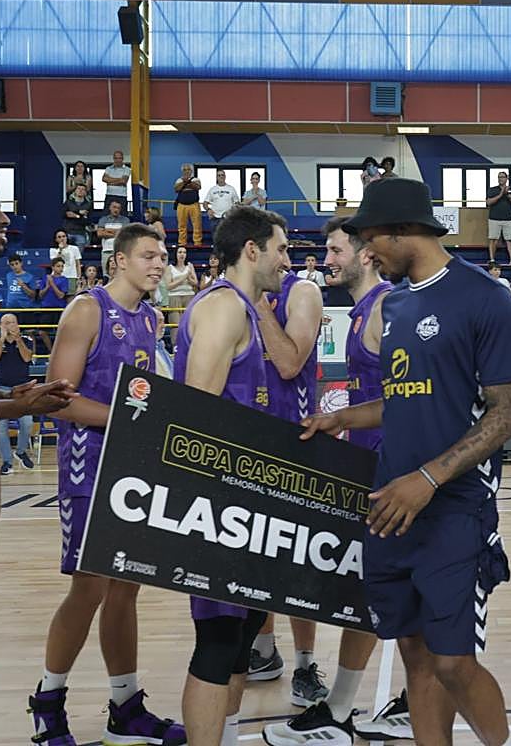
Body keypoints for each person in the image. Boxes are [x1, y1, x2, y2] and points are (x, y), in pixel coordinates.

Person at [299, 178, 511, 746]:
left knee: (453, 663)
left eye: (372, 239)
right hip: (391, 506)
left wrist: (428, 478)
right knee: (415, 656)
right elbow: (407, 396)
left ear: (405, 231)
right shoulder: (396, 303)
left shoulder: (484, 297)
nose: (367, 251)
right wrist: (343, 419)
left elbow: (507, 415)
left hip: (455, 508)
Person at [29, 224, 184, 745]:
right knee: (89, 585)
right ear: (118, 260)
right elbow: (59, 399)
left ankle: (126, 705)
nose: (158, 264)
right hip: (87, 466)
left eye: (162, 257)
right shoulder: (87, 310)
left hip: (131, 467)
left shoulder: (152, 316)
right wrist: (132, 417)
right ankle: (47, 701)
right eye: (147, 256)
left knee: (126, 587)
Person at [264, 216, 415, 743]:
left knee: (390, 593)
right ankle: (360, 706)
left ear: (366, 254)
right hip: (371, 468)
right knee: (377, 594)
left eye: (333, 250)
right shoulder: (359, 313)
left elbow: (414, 400)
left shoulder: (387, 310)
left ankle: (393, 703)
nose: (325, 259)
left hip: (396, 475)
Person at [176, 205, 289, 745]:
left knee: (243, 635)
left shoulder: (243, 307)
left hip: (243, 501)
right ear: (252, 250)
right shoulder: (224, 309)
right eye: (281, 250)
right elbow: (196, 415)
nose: (287, 261)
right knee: (219, 639)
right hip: (219, 505)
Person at [250, 238, 327, 707]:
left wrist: (259, 309)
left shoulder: (302, 292)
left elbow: (289, 362)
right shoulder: (226, 298)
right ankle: (263, 651)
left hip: (295, 444)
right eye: (279, 250)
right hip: (248, 443)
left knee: (298, 562)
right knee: (255, 552)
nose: (288, 258)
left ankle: (304, 663)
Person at [0, 313, 35, 475]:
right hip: (1, 388)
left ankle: (21, 451)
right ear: (0, 325)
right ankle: (6, 462)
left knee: (27, 423)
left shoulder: (27, 339)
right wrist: (2, 340)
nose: (9, 326)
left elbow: (27, 358)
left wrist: (18, 340)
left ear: (17, 324)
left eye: (11, 322)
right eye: (5, 323)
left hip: (23, 387)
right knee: (1, 427)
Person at [37, 256, 71, 354]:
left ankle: (59, 352)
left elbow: (61, 295)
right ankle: (51, 351)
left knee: (60, 332)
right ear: (53, 267)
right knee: (42, 332)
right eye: (58, 266)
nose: (60, 268)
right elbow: (40, 294)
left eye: (62, 266)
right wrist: (47, 286)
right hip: (46, 308)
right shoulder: (45, 278)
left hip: (59, 309)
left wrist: (52, 284)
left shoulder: (64, 280)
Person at [487, 170, 511, 265]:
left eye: (503, 177)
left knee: (509, 240)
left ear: (507, 178)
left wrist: (507, 194)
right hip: (494, 218)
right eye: (499, 177)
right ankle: (492, 260)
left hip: (508, 219)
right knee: (493, 239)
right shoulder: (492, 189)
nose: (501, 179)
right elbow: (488, 202)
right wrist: (500, 194)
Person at [165, 246, 198, 326]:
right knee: (176, 325)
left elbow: (196, 282)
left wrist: (189, 278)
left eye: (184, 252)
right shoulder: (170, 268)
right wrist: (184, 277)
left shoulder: (190, 266)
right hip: (174, 297)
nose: (182, 254)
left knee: (188, 325)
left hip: (189, 296)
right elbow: (168, 286)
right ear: (175, 254)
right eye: (180, 252)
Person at [173, 164, 203, 247]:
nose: (186, 171)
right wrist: (186, 183)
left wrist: (186, 182)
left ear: (191, 170)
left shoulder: (196, 179)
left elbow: (197, 187)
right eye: (185, 170)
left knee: (197, 224)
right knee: (181, 226)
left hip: (194, 205)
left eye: (188, 169)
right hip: (181, 205)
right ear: (182, 171)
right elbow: (176, 189)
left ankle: (197, 242)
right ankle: (182, 242)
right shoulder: (178, 180)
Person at [63, 182, 93, 248]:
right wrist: (79, 214)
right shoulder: (68, 202)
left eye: (83, 189)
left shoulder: (89, 204)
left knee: (78, 256)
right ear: (75, 191)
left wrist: (75, 215)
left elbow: (88, 220)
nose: (80, 191)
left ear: (85, 192)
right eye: (78, 189)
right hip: (68, 232)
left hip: (80, 233)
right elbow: (66, 214)